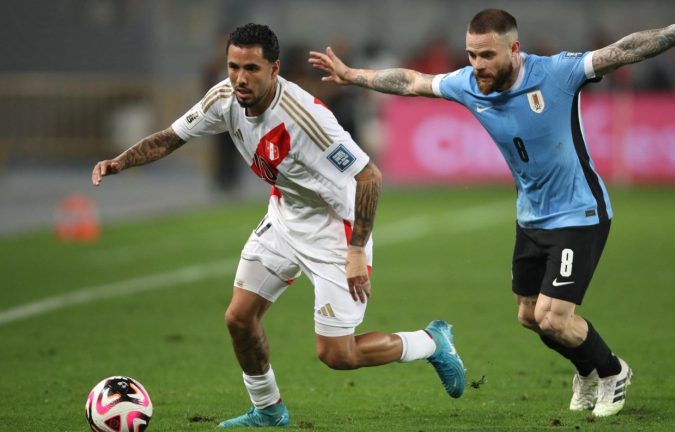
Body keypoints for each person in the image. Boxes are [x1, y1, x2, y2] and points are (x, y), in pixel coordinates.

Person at [309, 0, 675, 418]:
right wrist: (354, 75)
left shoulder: (557, 74)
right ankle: (586, 371)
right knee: (529, 315)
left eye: (487, 55)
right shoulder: (467, 83)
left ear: (514, 49)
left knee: (554, 318)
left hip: (579, 213)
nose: (477, 64)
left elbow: (623, 51)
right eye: (472, 54)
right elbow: (412, 81)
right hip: (531, 216)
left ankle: (612, 371)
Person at [92, 23, 465, 428]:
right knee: (238, 318)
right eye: (233, 66)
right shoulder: (224, 98)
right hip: (286, 217)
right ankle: (269, 410)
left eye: (251, 68)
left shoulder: (305, 119)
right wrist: (121, 161)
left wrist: (357, 249)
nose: (239, 77)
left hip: (335, 230)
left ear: (274, 69)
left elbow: (369, 176)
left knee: (337, 356)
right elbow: (171, 137)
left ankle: (430, 342)